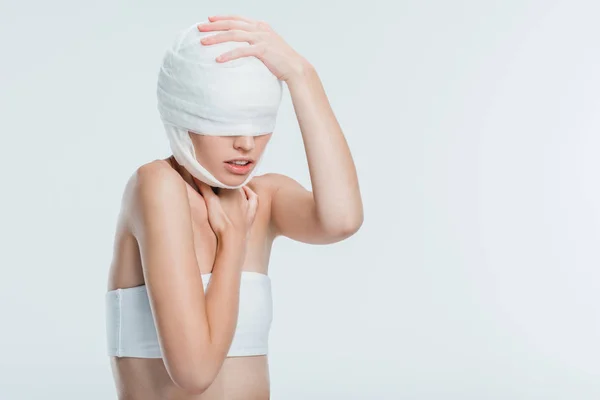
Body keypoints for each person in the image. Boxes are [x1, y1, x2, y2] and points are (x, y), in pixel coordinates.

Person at [105, 14, 363, 400]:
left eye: (259, 122)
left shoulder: (262, 197)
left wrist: (301, 75)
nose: (247, 143)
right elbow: (195, 372)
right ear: (183, 114)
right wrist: (233, 246)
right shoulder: (157, 186)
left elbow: (342, 220)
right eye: (225, 124)